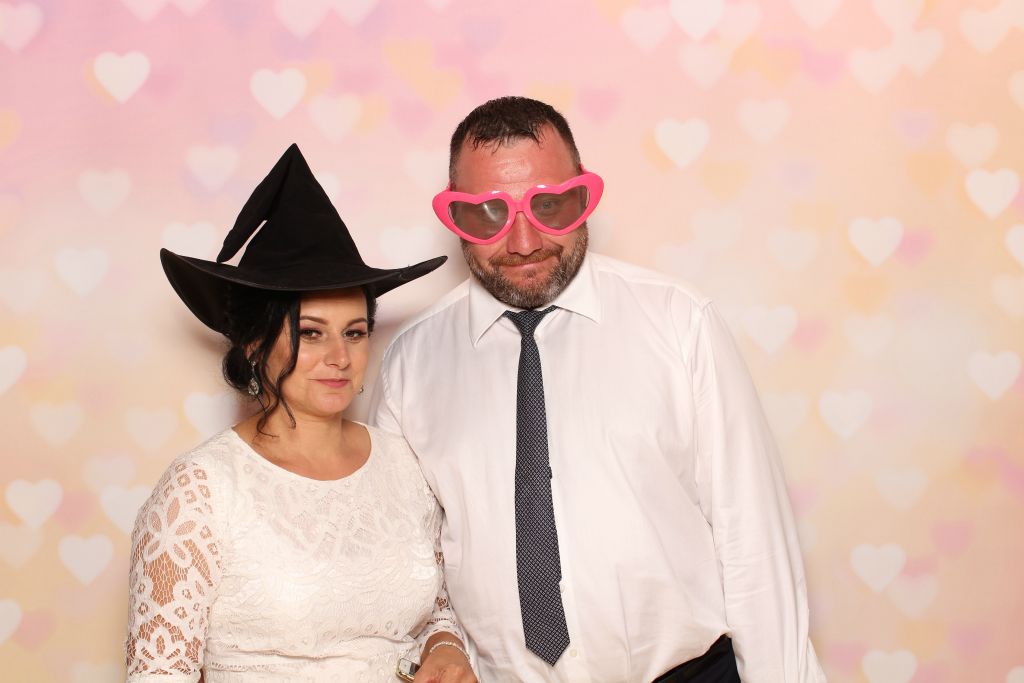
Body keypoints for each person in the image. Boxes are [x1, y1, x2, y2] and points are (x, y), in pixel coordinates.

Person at [369, 97, 826, 682]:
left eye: (550, 206)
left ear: (583, 196)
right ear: (455, 215)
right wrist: (439, 643)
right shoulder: (410, 366)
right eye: (488, 215)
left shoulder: (679, 323)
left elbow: (754, 538)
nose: (525, 242)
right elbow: (406, 561)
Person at [125, 144, 477, 683]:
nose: (340, 356)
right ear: (254, 344)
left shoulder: (403, 464)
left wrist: (446, 648)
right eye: (311, 333)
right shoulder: (200, 491)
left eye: (354, 333)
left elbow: (436, 610)